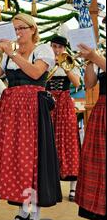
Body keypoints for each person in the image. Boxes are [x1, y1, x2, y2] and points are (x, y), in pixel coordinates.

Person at [0, 13, 62, 220]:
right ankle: (22, 211)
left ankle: (34, 213)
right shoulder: (9, 56)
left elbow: (36, 73)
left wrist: (12, 52)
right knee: (17, 159)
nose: (18, 32)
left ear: (33, 29)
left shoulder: (42, 49)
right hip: (12, 112)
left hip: (33, 110)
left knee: (33, 160)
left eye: (21, 28)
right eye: (15, 29)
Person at [46, 35, 81, 201]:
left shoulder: (70, 62)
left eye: (60, 47)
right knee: (49, 142)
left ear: (65, 49)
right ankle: (53, 184)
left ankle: (73, 186)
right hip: (48, 103)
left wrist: (66, 67)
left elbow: (77, 84)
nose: (57, 50)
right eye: (54, 46)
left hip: (65, 104)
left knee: (69, 142)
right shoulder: (44, 62)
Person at [75, 43, 106, 220]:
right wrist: (89, 60)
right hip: (101, 109)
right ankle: (100, 211)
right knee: (97, 163)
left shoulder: (100, 56)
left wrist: (94, 56)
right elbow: (89, 83)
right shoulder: (101, 55)